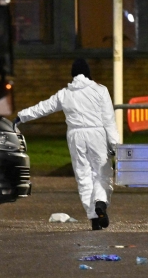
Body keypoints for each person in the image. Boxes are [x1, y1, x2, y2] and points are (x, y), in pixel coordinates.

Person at [14, 59, 119, 231]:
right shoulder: (100, 90)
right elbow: (109, 120)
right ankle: (100, 202)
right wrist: (115, 145)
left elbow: (43, 107)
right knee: (102, 173)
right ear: (88, 73)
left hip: (75, 136)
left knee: (83, 176)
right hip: (97, 134)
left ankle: (93, 217)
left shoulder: (65, 93)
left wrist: (21, 116)